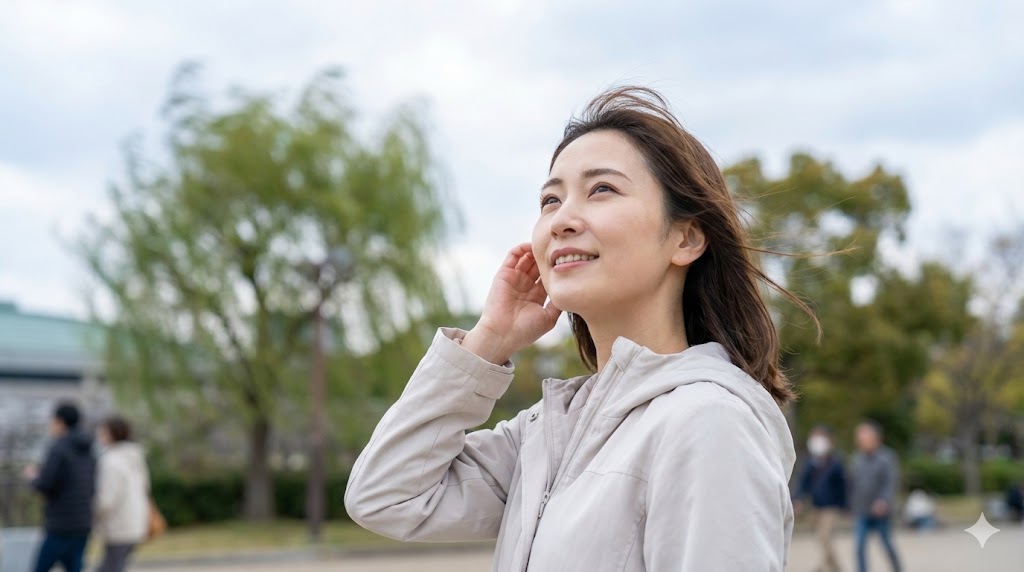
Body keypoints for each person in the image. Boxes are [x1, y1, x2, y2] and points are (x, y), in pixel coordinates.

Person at [345, 87, 813, 571]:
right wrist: (488, 341)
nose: (562, 219)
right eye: (550, 199)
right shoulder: (546, 435)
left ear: (686, 238)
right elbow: (385, 495)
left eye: (602, 189)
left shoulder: (709, 422)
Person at [22, 402, 96, 572]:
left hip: (60, 524)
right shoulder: (89, 449)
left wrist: (32, 477)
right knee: (74, 567)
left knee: (40, 568)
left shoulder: (58, 448)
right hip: (83, 522)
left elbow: (45, 484)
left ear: (60, 422)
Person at [93, 416, 151, 572]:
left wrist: (93, 515)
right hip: (136, 521)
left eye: (102, 433)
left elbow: (106, 501)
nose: (99, 438)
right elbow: (146, 488)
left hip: (117, 525)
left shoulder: (111, 461)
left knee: (110, 567)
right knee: (115, 565)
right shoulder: (135, 456)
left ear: (112, 434)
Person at [850, 420, 901, 572]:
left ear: (875, 437)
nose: (860, 440)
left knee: (886, 544)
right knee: (859, 546)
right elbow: (853, 484)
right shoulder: (857, 459)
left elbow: (891, 482)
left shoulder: (887, 457)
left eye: (864, 436)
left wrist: (883, 501)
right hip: (862, 510)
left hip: (881, 511)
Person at [794, 425, 847, 572]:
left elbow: (842, 487)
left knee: (825, 536)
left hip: (830, 507)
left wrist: (844, 506)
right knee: (822, 539)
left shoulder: (836, 462)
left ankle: (821, 567)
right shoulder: (809, 462)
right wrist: (797, 498)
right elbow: (803, 483)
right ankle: (836, 567)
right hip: (815, 506)